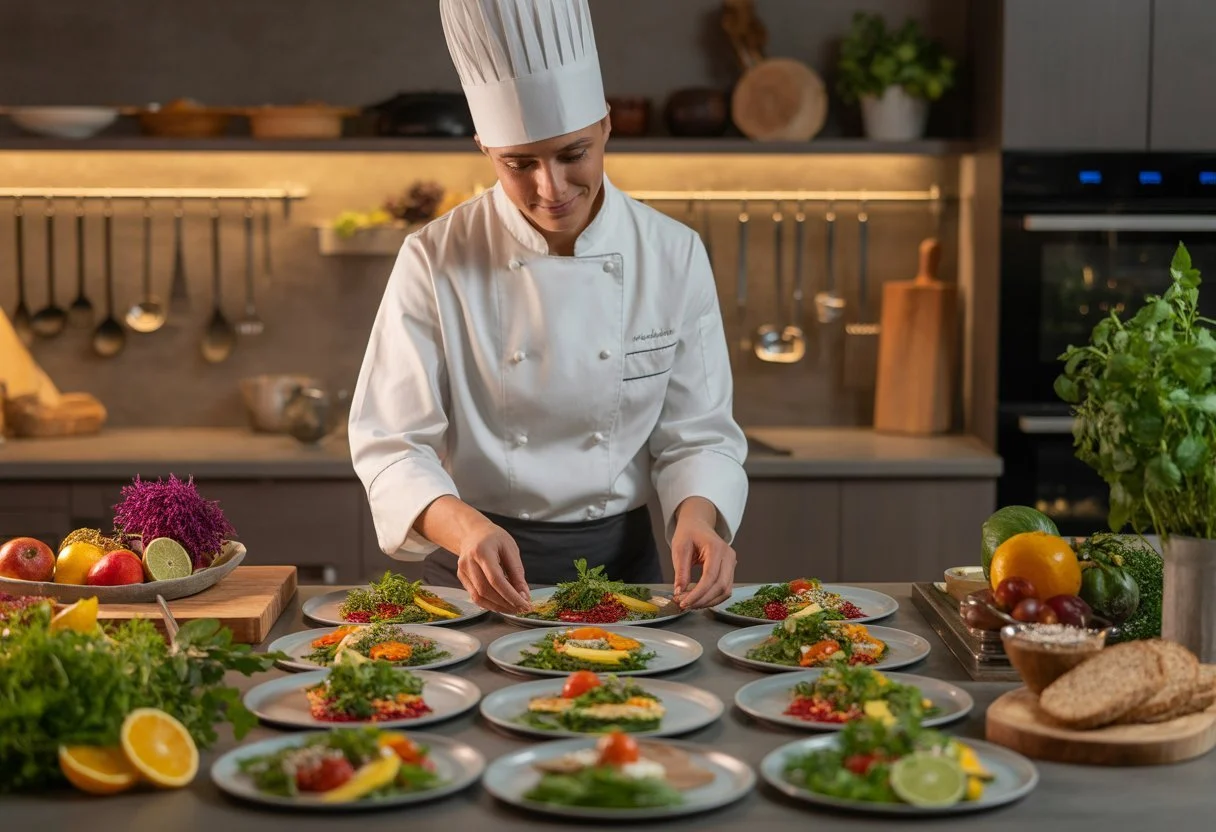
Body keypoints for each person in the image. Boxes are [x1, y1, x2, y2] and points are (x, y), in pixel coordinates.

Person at [348, 0, 748, 616]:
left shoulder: (672, 253)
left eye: (572, 153)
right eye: (520, 164)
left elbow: (698, 434)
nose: (550, 188)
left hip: (627, 576)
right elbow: (392, 443)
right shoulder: (434, 256)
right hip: (473, 568)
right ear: (485, 148)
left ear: (606, 126)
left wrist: (699, 518)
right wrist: (465, 530)